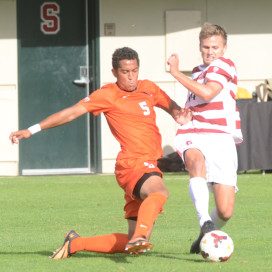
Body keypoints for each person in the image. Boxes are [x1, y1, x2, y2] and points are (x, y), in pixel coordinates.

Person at [10, 47, 192, 259]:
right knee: (159, 193)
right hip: (133, 163)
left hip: (146, 162)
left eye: (134, 70)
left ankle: (76, 243)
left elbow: (173, 108)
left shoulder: (149, 88)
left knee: (131, 245)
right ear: (114, 72)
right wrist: (32, 130)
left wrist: (179, 115)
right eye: (125, 71)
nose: (131, 76)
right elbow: (71, 113)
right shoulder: (108, 95)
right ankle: (139, 236)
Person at [167, 23, 243, 254]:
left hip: (220, 138)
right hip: (194, 132)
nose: (210, 51)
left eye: (215, 47)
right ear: (200, 47)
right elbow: (196, 103)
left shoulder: (225, 65)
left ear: (224, 48)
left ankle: (203, 235)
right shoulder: (197, 70)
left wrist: (176, 73)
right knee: (196, 164)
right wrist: (183, 116)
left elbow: (208, 92)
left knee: (225, 210)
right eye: (205, 47)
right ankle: (204, 222)